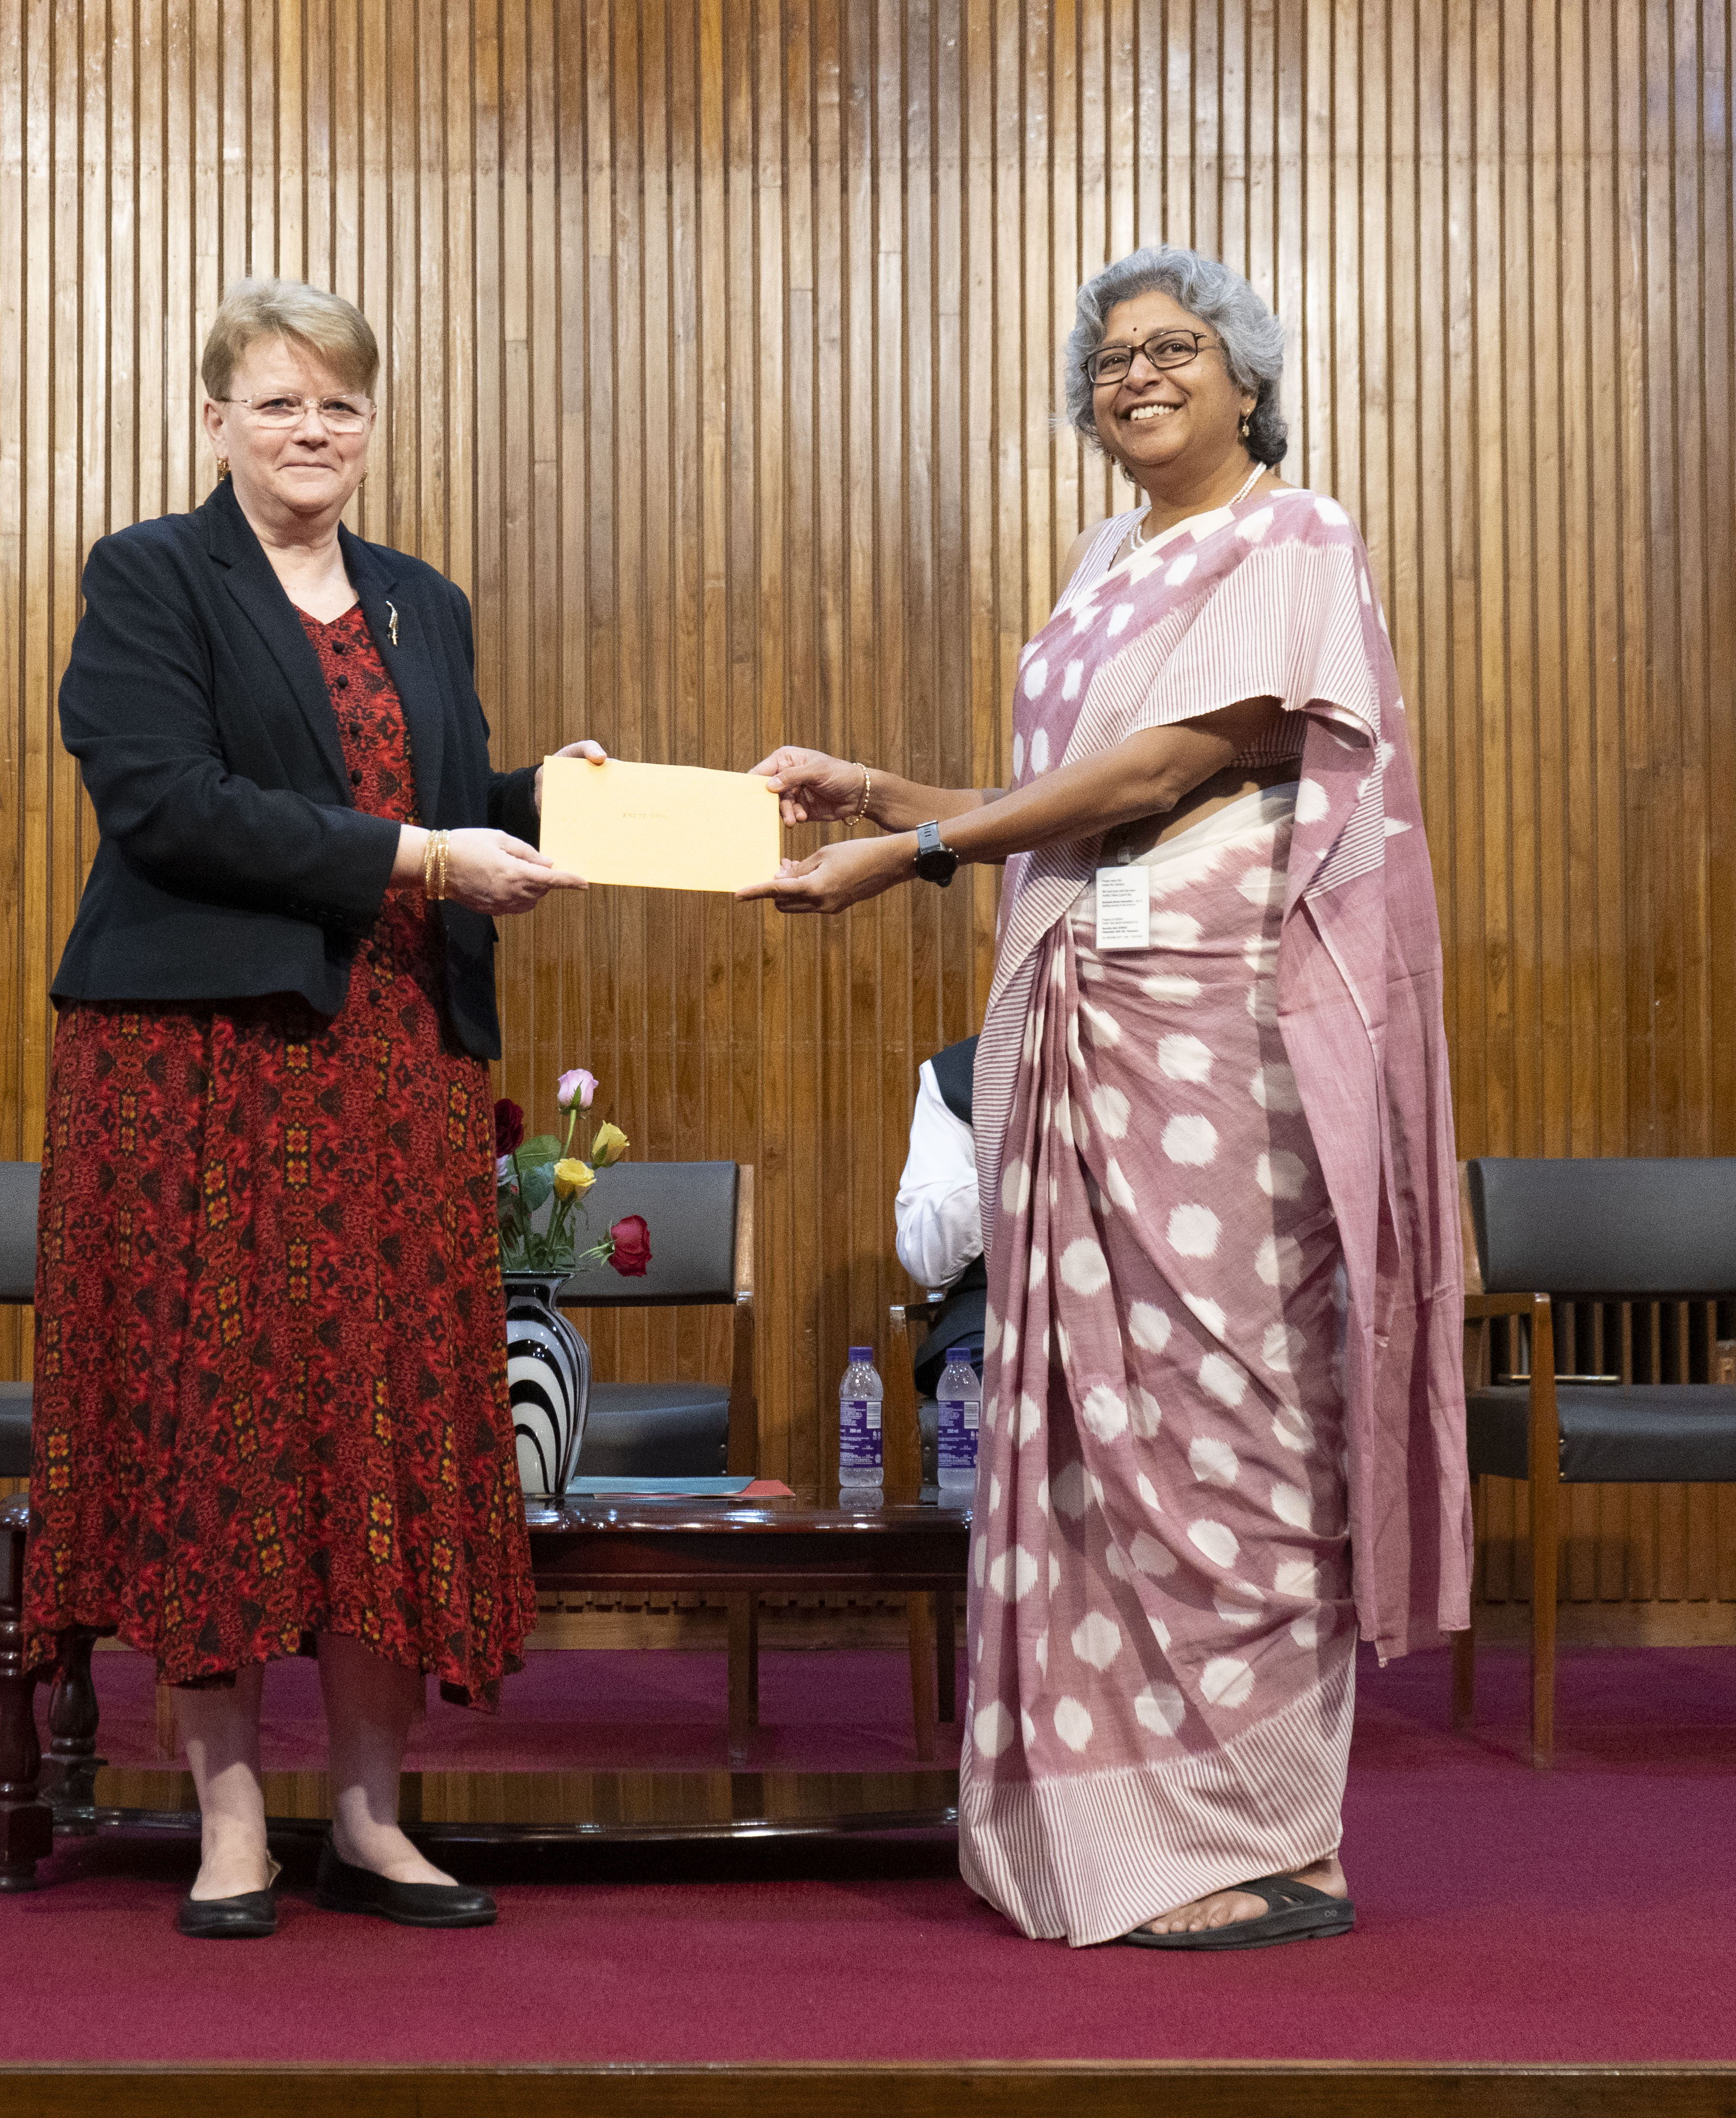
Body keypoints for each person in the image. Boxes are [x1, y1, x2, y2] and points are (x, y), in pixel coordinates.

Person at [737, 246, 1466, 1949]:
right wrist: (877, 792)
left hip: (1219, 1046)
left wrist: (907, 850)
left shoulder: (1294, 535)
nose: (1136, 374)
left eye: (1175, 349)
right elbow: (1060, 806)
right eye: (1111, 356)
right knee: (1097, 1440)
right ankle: (1125, 1828)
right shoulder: (1104, 561)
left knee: (1229, 1425)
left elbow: (1165, 770)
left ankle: (1267, 1834)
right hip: (1087, 1026)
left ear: (1244, 384)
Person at [25, 277, 604, 1941]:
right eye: (278, 403)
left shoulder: (423, 601)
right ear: (216, 419)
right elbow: (166, 800)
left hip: (394, 1063)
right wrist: (428, 853)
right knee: (221, 1414)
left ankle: (369, 1815)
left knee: (389, 1426)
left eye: (340, 406)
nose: (311, 432)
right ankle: (225, 1819)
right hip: (196, 1062)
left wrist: (556, 801)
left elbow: (432, 806)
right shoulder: (151, 574)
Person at [896, 1033, 986, 1402]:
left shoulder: (1168, 1061)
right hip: (994, 1312)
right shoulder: (957, 1075)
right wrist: (1008, 1153)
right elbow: (926, 1262)